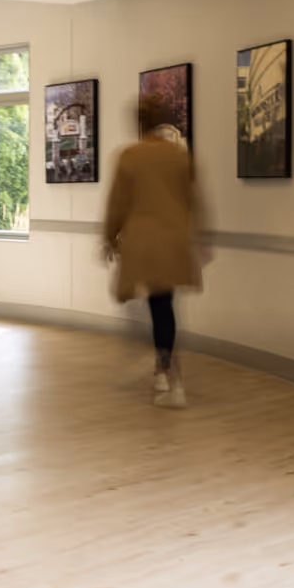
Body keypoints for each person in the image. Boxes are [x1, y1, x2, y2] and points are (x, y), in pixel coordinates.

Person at [103, 94, 206, 408]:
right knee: (164, 302)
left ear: (138, 122)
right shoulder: (179, 155)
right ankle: (165, 365)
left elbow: (117, 201)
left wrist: (108, 236)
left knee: (153, 303)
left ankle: (164, 367)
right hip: (173, 241)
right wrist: (201, 237)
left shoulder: (129, 156)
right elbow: (194, 200)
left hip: (141, 242)